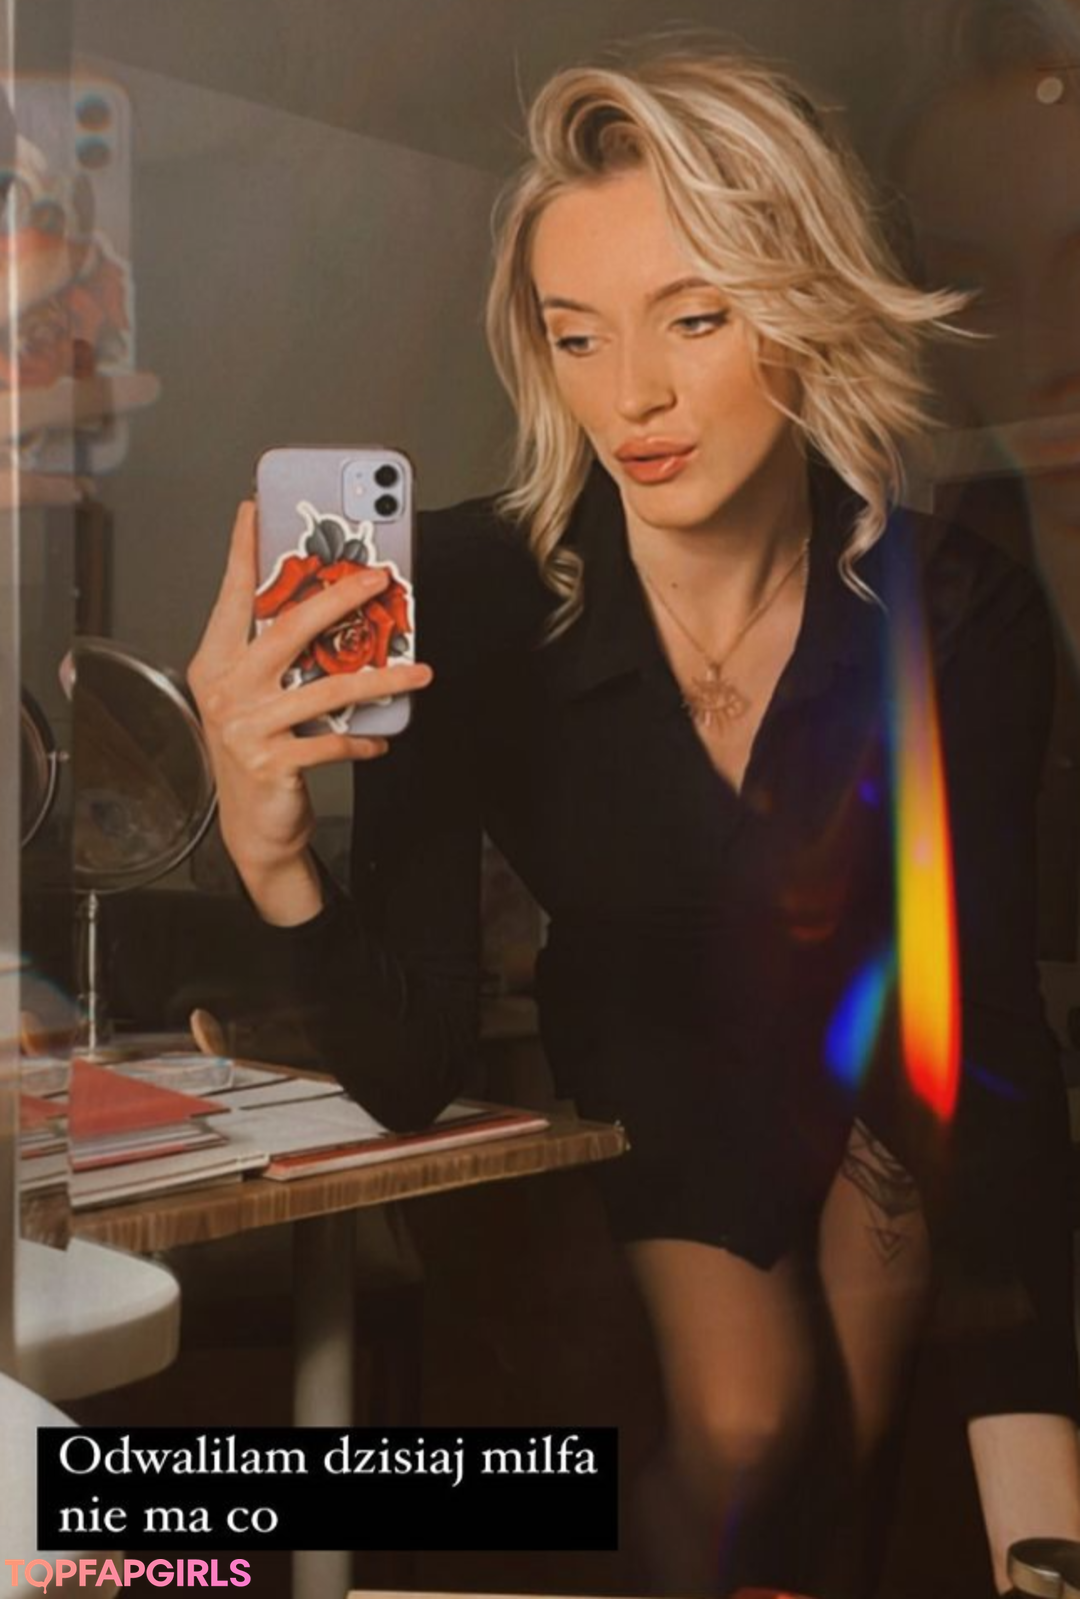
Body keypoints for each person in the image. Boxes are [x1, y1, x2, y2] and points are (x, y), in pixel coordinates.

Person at [189, 49, 1080, 1597]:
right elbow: (411, 1063)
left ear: (802, 308)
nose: (632, 397)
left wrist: (1043, 1520)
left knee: (847, 1413)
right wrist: (273, 855)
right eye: (578, 334)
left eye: (695, 317)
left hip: (870, 1103)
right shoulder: (469, 598)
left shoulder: (958, 612)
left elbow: (990, 1030)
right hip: (628, 1101)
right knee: (750, 1415)